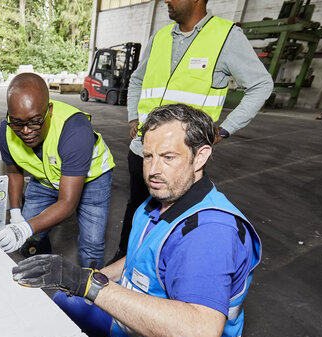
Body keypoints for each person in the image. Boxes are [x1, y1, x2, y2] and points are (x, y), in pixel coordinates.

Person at [12, 104, 262, 337]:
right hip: (137, 333)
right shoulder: (159, 202)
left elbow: (200, 336)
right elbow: (140, 258)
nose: (153, 170)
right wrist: (83, 279)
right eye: (148, 156)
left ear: (201, 156)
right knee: (68, 302)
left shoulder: (209, 234)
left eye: (169, 157)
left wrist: (89, 285)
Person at [110, 0, 273, 263]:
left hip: (181, 157)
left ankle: (160, 266)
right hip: (142, 149)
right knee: (138, 206)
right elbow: (138, 79)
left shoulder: (226, 36)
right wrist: (133, 116)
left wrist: (226, 128)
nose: (167, 0)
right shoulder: (160, 37)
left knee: (175, 213)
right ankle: (126, 259)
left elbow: (261, 85)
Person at [0, 72, 115, 269]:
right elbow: (14, 171)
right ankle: (43, 271)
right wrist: (16, 214)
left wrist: (25, 228)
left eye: (34, 121)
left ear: (49, 110)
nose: (25, 131)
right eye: (17, 123)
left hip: (92, 180)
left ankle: (88, 287)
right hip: (46, 179)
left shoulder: (75, 130)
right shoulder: (6, 131)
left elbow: (67, 203)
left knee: (91, 245)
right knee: (29, 238)